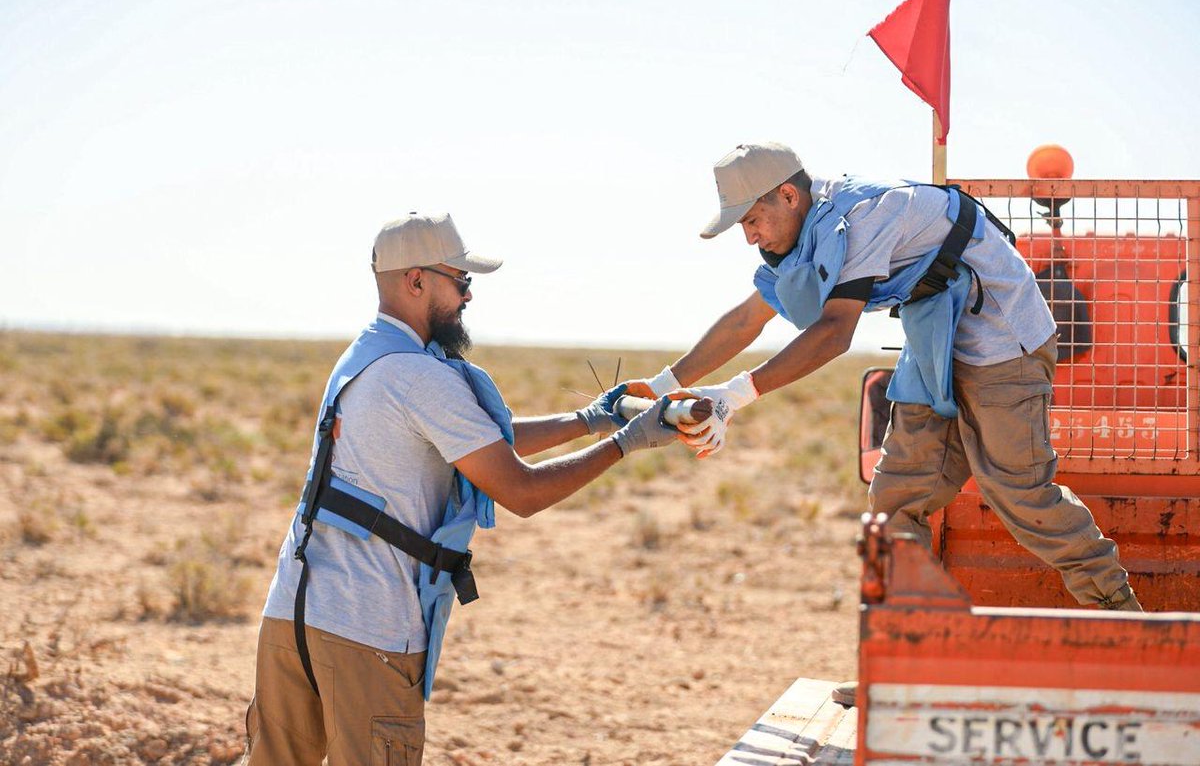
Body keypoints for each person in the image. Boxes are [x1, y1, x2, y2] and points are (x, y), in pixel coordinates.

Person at [625, 142, 1143, 702]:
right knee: (895, 500)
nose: (750, 236)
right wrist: (663, 386)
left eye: (752, 219)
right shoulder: (805, 232)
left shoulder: (861, 214)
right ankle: (904, 664)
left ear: (789, 195)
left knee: (1018, 492)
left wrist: (733, 395)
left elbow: (832, 333)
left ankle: (1136, 636)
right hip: (935, 337)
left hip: (1002, 339)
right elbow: (747, 319)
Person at [243, 212, 677, 765]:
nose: (469, 297)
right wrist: (629, 441)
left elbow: (473, 441)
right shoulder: (422, 376)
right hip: (366, 630)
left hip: (292, 615)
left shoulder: (366, 357)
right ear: (416, 281)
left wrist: (589, 420)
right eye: (462, 281)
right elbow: (519, 490)